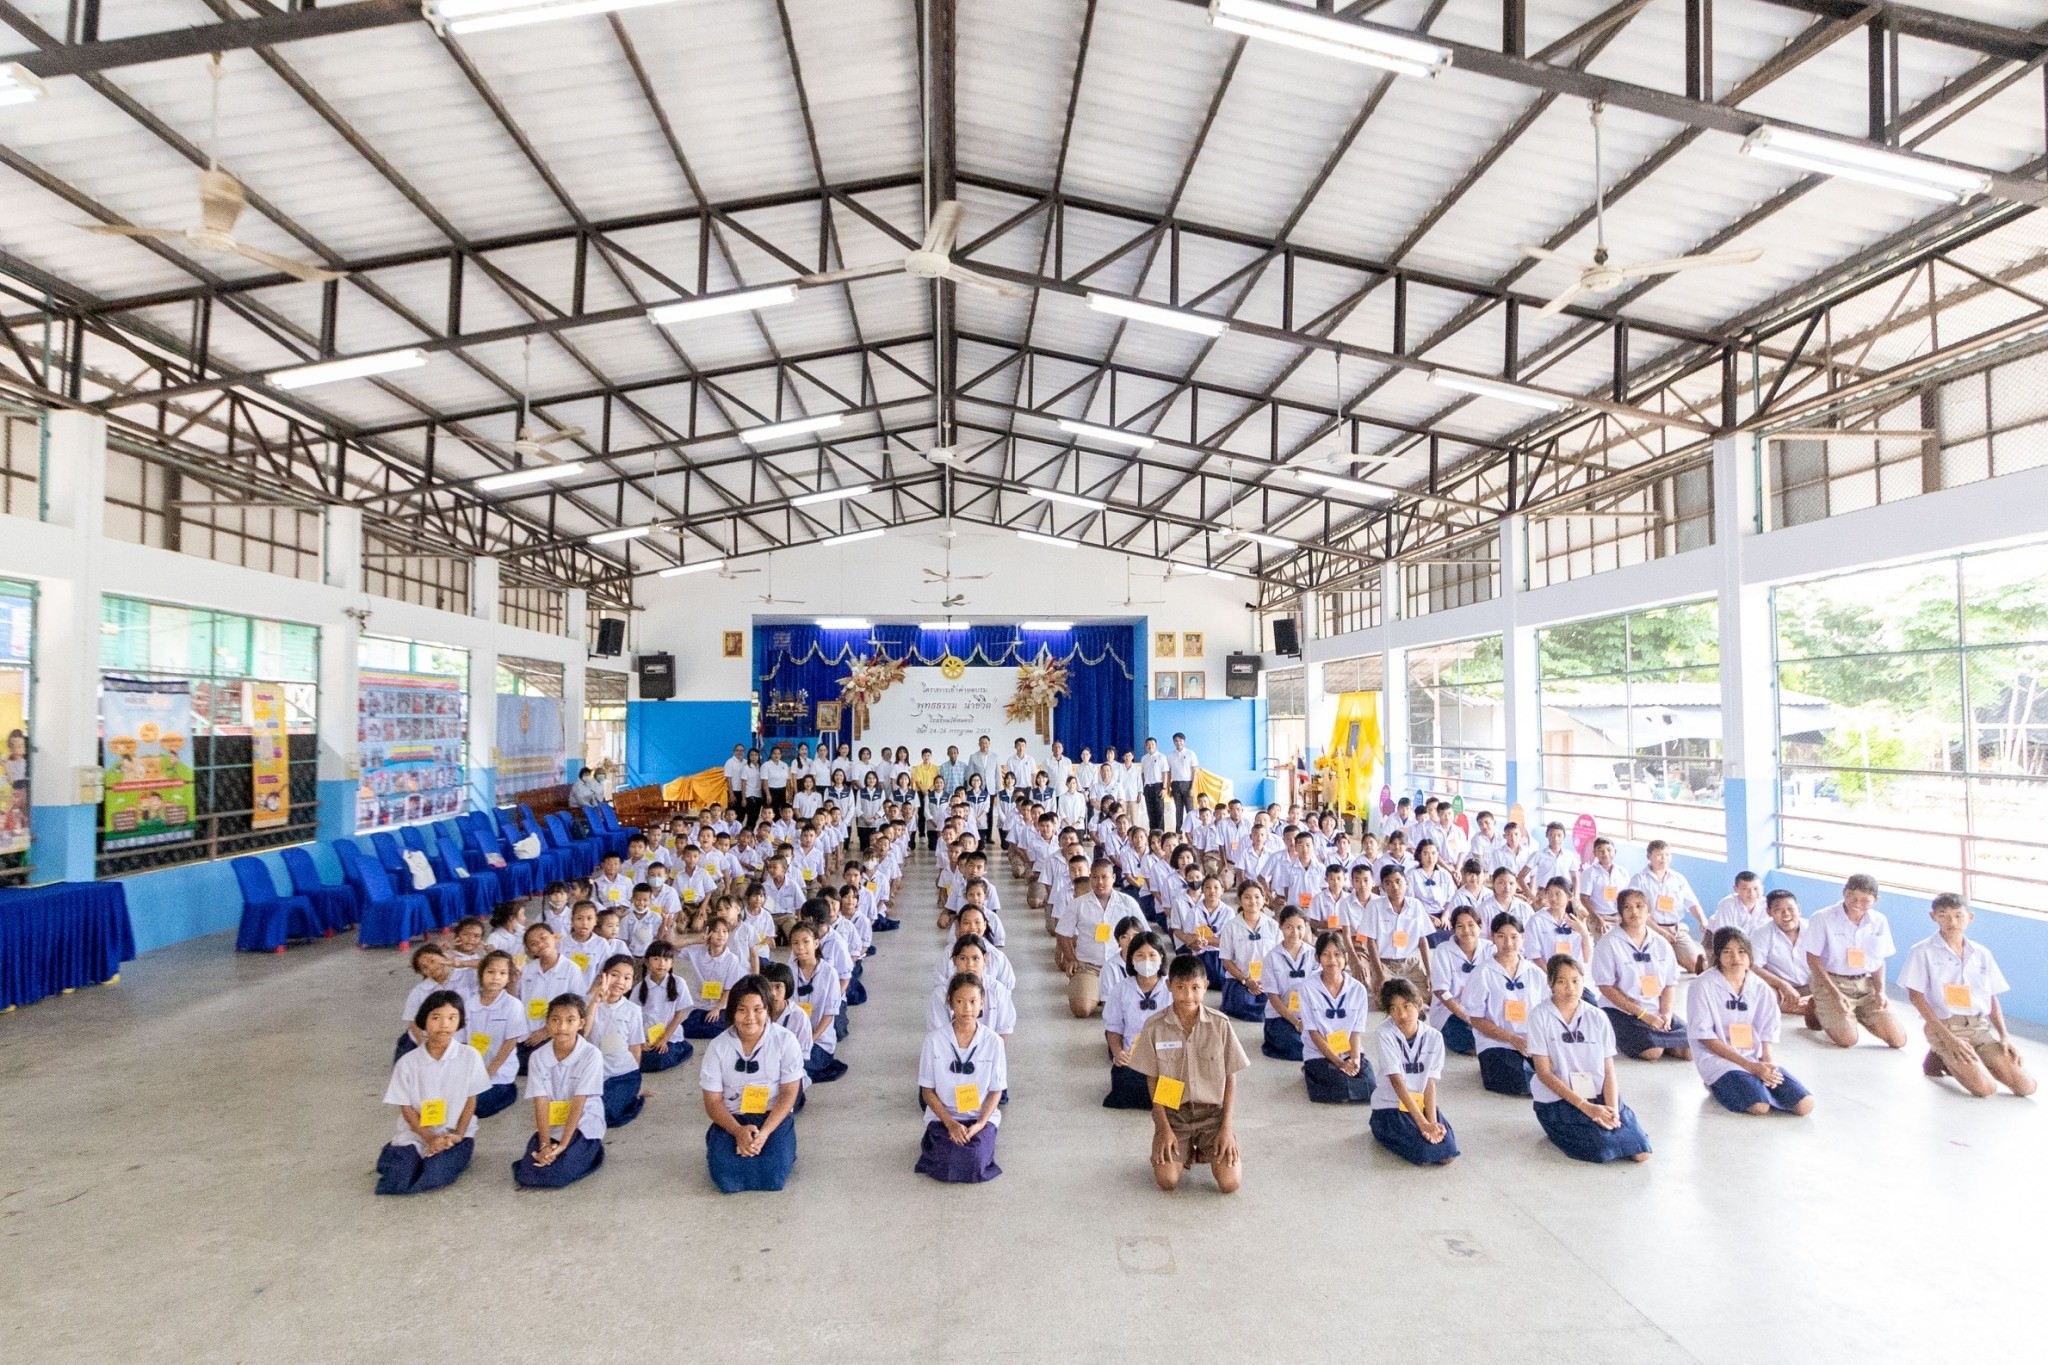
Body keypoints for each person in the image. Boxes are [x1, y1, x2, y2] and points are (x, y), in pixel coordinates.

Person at [1125, 954, 1249, 1194]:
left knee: (1230, 1183)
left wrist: (1226, 1129)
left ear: (1206, 987)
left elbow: (1231, 1077)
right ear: (1169, 986)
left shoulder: (1220, 1025)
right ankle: (1185, 1150)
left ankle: (1203, 1149)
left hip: (1213, 1116)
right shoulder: (1155, 1026)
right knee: (1167, 1181)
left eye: (1195, 988)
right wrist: (1163, 1128)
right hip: (1175, 1115)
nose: (1188, 995)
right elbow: (1153, 1079)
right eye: (1180, 987)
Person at [1898, 893, 2035, 1098]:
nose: (1952, 922)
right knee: (1985, 1089)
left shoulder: (1981, 953)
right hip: (1945, 1026)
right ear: (1933, 916)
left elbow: (1991, 997)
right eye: (1944, 916)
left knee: (2026, 1087)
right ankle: (1943, 1054)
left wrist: (2004, 1036)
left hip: (1978, 1027)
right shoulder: (1922, 951)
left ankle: (1957, 1058)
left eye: (1958, 916)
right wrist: (1949, 1039)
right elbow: (1916, 997)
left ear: (1970, 917)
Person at [1526, 955, 1652, 1164]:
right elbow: (1544, 1073)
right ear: (1550, 983)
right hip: (1559, 1098)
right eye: (1561, 981)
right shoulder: (1539, 1016)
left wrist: (1612, 1109)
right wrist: (1586, 1107)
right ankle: (1557, 1125)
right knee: (1602, 1148)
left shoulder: (1597, 1016)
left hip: (1597, 1092)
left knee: (1641, 1151)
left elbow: (1609, 1071)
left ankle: (1605, 1120)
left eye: (1575, 981)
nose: (1570, 988)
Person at [1687, 928, 1814, 1116]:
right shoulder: (1702, 985)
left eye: (1741, 951)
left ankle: (1753, 1082)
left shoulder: (1760, 987)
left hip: (1754, 1057)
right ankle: (1716, 1085)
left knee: (1805, 1105)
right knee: (1758, 1106)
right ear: (1717, 955)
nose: (1735, 958)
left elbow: (1767, 1030)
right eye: (1727, 952)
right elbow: (1705, 1037)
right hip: (1719, 1060)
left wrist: (1767, 1063)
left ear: (1750, 955)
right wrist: (1749, 1066)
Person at [375, 989, 489, 1195]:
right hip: (417, 1133)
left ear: (460, 1021)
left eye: (452, 1018)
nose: (444, 1024)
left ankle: (416, 1158)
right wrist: (429, 1139)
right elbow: (406, 1107)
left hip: (454, 1134)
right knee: (397, 1181)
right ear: (423, 1020)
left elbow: (470, 1102)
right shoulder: (407, 1062)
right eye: (436, 1017)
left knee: (436, 1174)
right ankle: (396, 1153)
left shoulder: (469, 1056)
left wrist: (458, 1135)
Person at [699, 975, 805, 1193]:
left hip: (772, 1116)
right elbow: (712, 1101)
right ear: (732, 1011)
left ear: (768, 1009)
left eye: (758, 1009)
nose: (750, 1017)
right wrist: (738, 1131)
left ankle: (782, 1144)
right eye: (741, 1010)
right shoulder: (718, 1047)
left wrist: (764, 1133)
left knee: (772, 1176)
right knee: (726, 1178)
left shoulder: (785, 1040)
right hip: (733, 1118)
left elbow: (788, 1092)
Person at [916, 973, 1008, 1183]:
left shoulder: (993, 1042)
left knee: (974, 1159)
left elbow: (996, 1090)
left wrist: (980, 1123)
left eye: (973, 1002)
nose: (967, 1008)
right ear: (950, 1003)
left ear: (981, 1003)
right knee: (949, 1158)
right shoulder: (934, 1041)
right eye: (960, 1001)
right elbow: (927, 1091)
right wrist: (951, 1124)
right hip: (944, 1116)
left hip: (979, 1117)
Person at [514, 994, 607, 1188]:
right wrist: (544, 1144)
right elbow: (540, 1101)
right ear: (547, 1022)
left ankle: (590, 1150)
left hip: (582, 1123)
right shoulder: (538, 1057)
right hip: (552, 1122)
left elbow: (579, 1102)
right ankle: (554, 1151)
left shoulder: (591, 1055)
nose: (562, 1027)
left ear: (581, 1023)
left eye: (570, 1020)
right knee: (530, 1171)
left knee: (557, 1173)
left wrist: (563, 1144)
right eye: (555, 1020)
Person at [1804, 873, 1907, 1050]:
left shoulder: (1879, 921)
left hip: (1864, 984)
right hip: (1832, 982)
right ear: (1844, 893)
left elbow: (1879, 959)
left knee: (1898, 1040)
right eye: (1852, 897)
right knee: (1848, 1040)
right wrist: (1834, 993)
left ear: (1876, 900)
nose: (1858, 905)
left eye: (1865, 901)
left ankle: (1854, 1011)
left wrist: (1881, 992)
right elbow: (1813, 958)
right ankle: (1817, 1004)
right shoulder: (1822, 918)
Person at [1589, 889, 1690, 1061]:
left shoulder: (1661, 943)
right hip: (1622, 1011)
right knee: (1653, 1052)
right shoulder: (1609, 943)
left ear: (1648, 911)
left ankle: (1663, 1038)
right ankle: (1629, 1035)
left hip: (1655, 1009)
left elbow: (1669, 984)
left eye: (1639, 906)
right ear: (1620, 913)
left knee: (1690, 1051)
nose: (1634, 911)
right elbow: (1606, 987)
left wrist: (1665, 1013)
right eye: (1627, 907)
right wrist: (1643, 1015)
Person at [1370, 978, 1459, 1166]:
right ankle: (1379, 1126)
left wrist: (1432, 1122)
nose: (1401, 1014)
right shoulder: (1384, 1034)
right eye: (1393, 1009)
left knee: (1448, 1154)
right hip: (1391, 1107)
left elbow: (1430, 1083)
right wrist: (1422, 1124)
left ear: (1419, 1005)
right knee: (1425, 1152)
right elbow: (1397, 1082)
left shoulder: (1434, 1037)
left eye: (1406, 1005)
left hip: (1421, 1105)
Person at [1464, 912, 1545, 1096]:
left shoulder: (1535, 973)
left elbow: (1546, 1012)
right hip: (1497, 1042)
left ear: (1523, 938)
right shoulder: (1483, 973)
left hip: (1530, 1042)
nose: (1508, 943)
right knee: (1518, 1080)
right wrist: (1512, 1039)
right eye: (1501, 937)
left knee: (1561, 1069)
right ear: (1492, 937)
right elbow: (1476, 1019)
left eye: (1514, 937)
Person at [1053, 859, 1140, 1019]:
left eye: (1104, 877)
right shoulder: (1078, 904)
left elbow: (1145, 933)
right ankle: (1093, 992)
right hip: (1088, 966)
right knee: (1082, 1009)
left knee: (1127, 1009)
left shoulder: (1128, 903)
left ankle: (1100, 994)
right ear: (1090, 877)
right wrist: (1071, 958)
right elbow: (1062, 933)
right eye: (1094, 877)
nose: (1099, 882)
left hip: (1121, 966)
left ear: (1113, 877)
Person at [1301, 930, 1375, 1103]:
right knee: (1337, 1084)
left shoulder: (1358, 989)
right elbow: (1313, 1033)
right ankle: (1313, 1072)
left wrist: (1354, 1059)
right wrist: (1339, 1063)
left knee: (1371, 1085)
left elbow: (1356, 1031)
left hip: (1348, 1050)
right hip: (1320, 1053)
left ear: (1345, 958)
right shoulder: (1307, 988)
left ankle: (1345, 1086)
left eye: (1337, 955)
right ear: (1317, 958)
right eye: (1326, 955)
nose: (1332, 961)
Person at [1104, 932, 1173, 1108]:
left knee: (1172, 1095)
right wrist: (1118, 1052)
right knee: (1125, 1089)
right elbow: (1113, 1028)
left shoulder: (1172, 988)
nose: (1146, 961)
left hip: (1167, 1057)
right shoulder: (1120, 990)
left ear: (1161, 957)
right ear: (1132, 959)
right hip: (1133, 1057)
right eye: (1140, 956)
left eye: (1152, 955)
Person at [584, 954, 646, 1127]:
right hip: (593, 1074)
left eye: (627, 978)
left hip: (622, 1074)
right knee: (581, 1113)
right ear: (603, 975)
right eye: (614, 975)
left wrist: (636, 1078)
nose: (620, 981)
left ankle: (634, 1095)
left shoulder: (633, 1010)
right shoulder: (586, 1003)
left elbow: (635, 1047)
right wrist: (595, 1002)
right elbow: (582, 1034)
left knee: (605, 1115)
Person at [465, 951, 525, 1117]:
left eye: (502, 973)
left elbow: (509, 1044)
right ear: (481, 973)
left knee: (477, 1107)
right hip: (471, 1070)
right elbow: (462, 1041)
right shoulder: (469, 1004)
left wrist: (487, 1073)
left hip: (498, 1073)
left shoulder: (513, 1006)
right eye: (490, 972)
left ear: (508, 978)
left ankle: (509, 1092)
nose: (496, 977)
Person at [1429, 905, 1492, 1055]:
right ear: (1453, 929)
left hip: (1483, 1008)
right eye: (1460, 926)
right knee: (1468, 1040)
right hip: (1451, 1010)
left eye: (1471, 925)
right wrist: (1466, 1016)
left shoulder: (1490, 948)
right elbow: (1440, 991)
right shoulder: (1443, 950)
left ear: (1480, 926)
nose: (1466, 930)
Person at [1215, 883, 1279, 1022]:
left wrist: (1267, 979)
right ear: (1239, 900)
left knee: (1278, 1002)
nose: (1253, 901)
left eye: (1257, 897)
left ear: (1264, 899)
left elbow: (1279, 957)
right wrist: (1246, 980)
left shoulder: (1272, 925)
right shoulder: (1231, 926)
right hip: (1240, 979)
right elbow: (1226, 960)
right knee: (1244, 1003)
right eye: (1247, 897)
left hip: (1267, 979)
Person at [1258, 908, 1314, 1061]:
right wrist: (1295, 1021)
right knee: (1297, 1046)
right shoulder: (1271, 958)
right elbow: (1273, 998)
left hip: (1309, 1015)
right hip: (1281, 1016)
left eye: (1299, 927)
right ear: (1281, 926)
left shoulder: (1313, 955)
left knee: (1330, 1041)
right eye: (1289, 927)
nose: (1295, 932)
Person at [635, 941, 696, 1072]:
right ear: (647, 962)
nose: (661, 963)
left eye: (666, 959)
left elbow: (679, 1015)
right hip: (647, 1037)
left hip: (670, 1036)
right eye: (656, 959)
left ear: (672, 963)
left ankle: (683, 1048)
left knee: (660, 1060)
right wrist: (640, 1042)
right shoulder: (640, 988)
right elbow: (634, 1018)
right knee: (633, 1057)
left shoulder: (679, 983)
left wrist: (664, 1039)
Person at [1165, 733, 1199, 829]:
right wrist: (1168, 787)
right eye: (1176, 740)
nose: (1178, 742)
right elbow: (1169, 772)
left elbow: (1195, 772)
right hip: (1175, 784)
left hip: (1187, 784)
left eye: (1180, 740)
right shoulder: (1170, 756)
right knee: (1178, 810)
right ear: (1173, 742)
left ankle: (1192, 831)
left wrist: (1192, 787)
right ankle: (1178, 832)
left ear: (1184, 741)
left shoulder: (1190, 753)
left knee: (1190, 810)